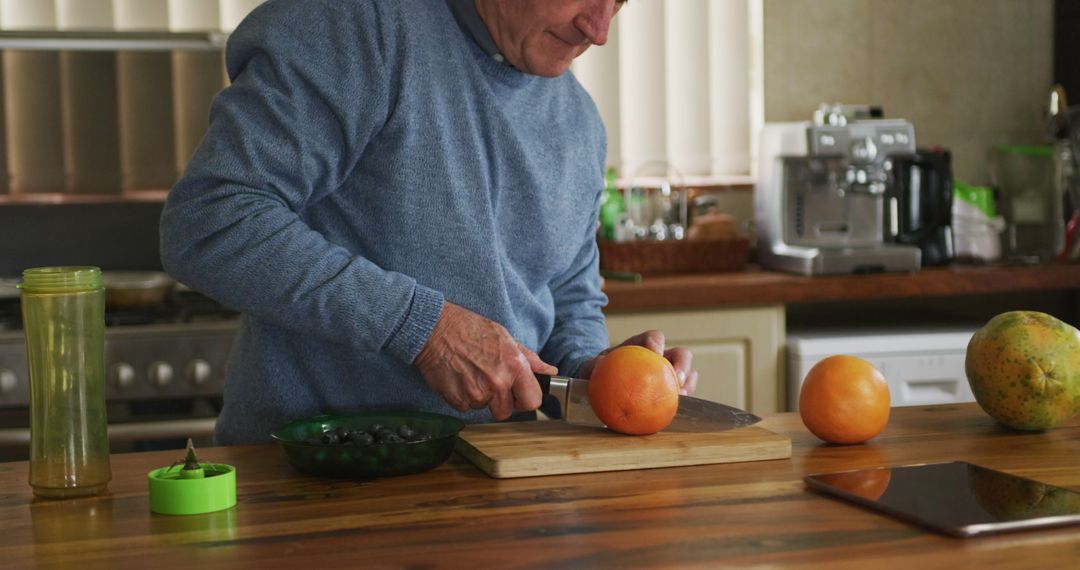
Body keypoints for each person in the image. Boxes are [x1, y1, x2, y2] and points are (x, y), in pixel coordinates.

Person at [160, 0, 699, 445]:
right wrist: (424, 331)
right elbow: (210, 219)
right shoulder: (355, 24)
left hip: (494, 479)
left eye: (620, 2)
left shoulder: (579, 123)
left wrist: (597, 373)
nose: (599, 29)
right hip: (310, 474)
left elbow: (568, 298)